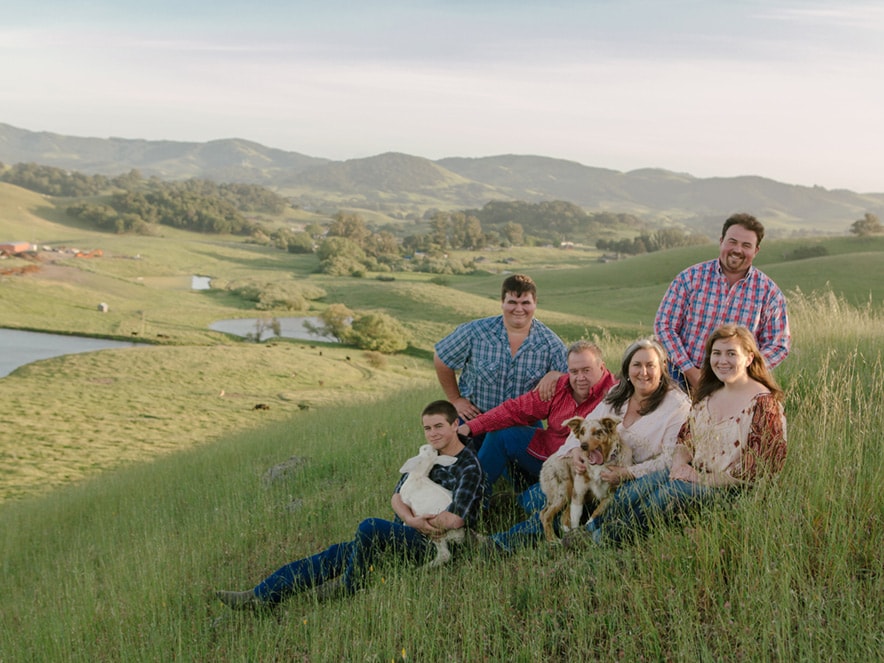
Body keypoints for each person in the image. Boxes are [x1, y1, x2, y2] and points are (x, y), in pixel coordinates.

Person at [215, 400, 484, 610]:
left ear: (454, 424)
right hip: (404, 532)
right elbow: (396, 497)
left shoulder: (468, 465)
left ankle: (350, 585)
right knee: (334, 554)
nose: (432, 434)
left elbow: (456, 519)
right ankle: (261, 596)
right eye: (427, 428)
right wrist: (410, 520)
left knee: (368, 527)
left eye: (439, 426)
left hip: (433, 546)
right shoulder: (425, 456)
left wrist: (417, 524)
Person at [574, 324, 787, 546]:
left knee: (668, 494)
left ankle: (603, 539)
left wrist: (699, 478)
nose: (722, 360)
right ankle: (591, 527)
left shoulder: (763, 403)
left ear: (749, 358)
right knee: (639, 487)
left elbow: (757, 470)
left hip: (730, 488)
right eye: (716, 353)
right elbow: (685, 439)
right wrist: (678, 465)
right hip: (695, 473)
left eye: (731, 353)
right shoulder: (709, 395)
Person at [484, 338, 691, 553]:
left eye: (651, 365)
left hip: (633, 481)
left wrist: (626, 473)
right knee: (536, 501)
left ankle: (501, 544)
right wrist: (575, 451)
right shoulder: (618, 394)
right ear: (628, 368)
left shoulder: (676, 405)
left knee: (574, 505)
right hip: (595, 470)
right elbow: (586, 424)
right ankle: (509, 504)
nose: (644, 372)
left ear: (663, 368)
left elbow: (669, 460)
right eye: (637, 365)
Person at [654, 213, 790, 392]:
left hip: (737, 383)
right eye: (732, 242)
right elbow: (664, 325)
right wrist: (690, 371)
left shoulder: (769, 293)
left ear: (756, 250)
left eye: (746, 245)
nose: (737, 250)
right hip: (679, 376)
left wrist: (744, 373)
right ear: (721, 241)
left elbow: (778, 344)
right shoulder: (690, 278)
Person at [457, 340, 615, 493]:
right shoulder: (559, 386)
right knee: (501, 435)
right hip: (547, 450)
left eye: (586, 370)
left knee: (528, 503)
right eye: (574, 371)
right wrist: (469, 427)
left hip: (579, 468)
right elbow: (514, 409)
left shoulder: (615, 396)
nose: (580, 378)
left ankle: (524, 494)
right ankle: (471, 497)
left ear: (601, 367)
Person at [434, 274, 569, 430]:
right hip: (474, 418)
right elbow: (441, 358)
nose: (519, 309)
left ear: (535, 303)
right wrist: (455, 399)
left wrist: (557, 375)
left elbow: (572, 381)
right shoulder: (475, 332)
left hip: (522, 425)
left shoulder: (551, 344)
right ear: (502, 303)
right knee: (452, 451)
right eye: (512, 302)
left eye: (525, 303)